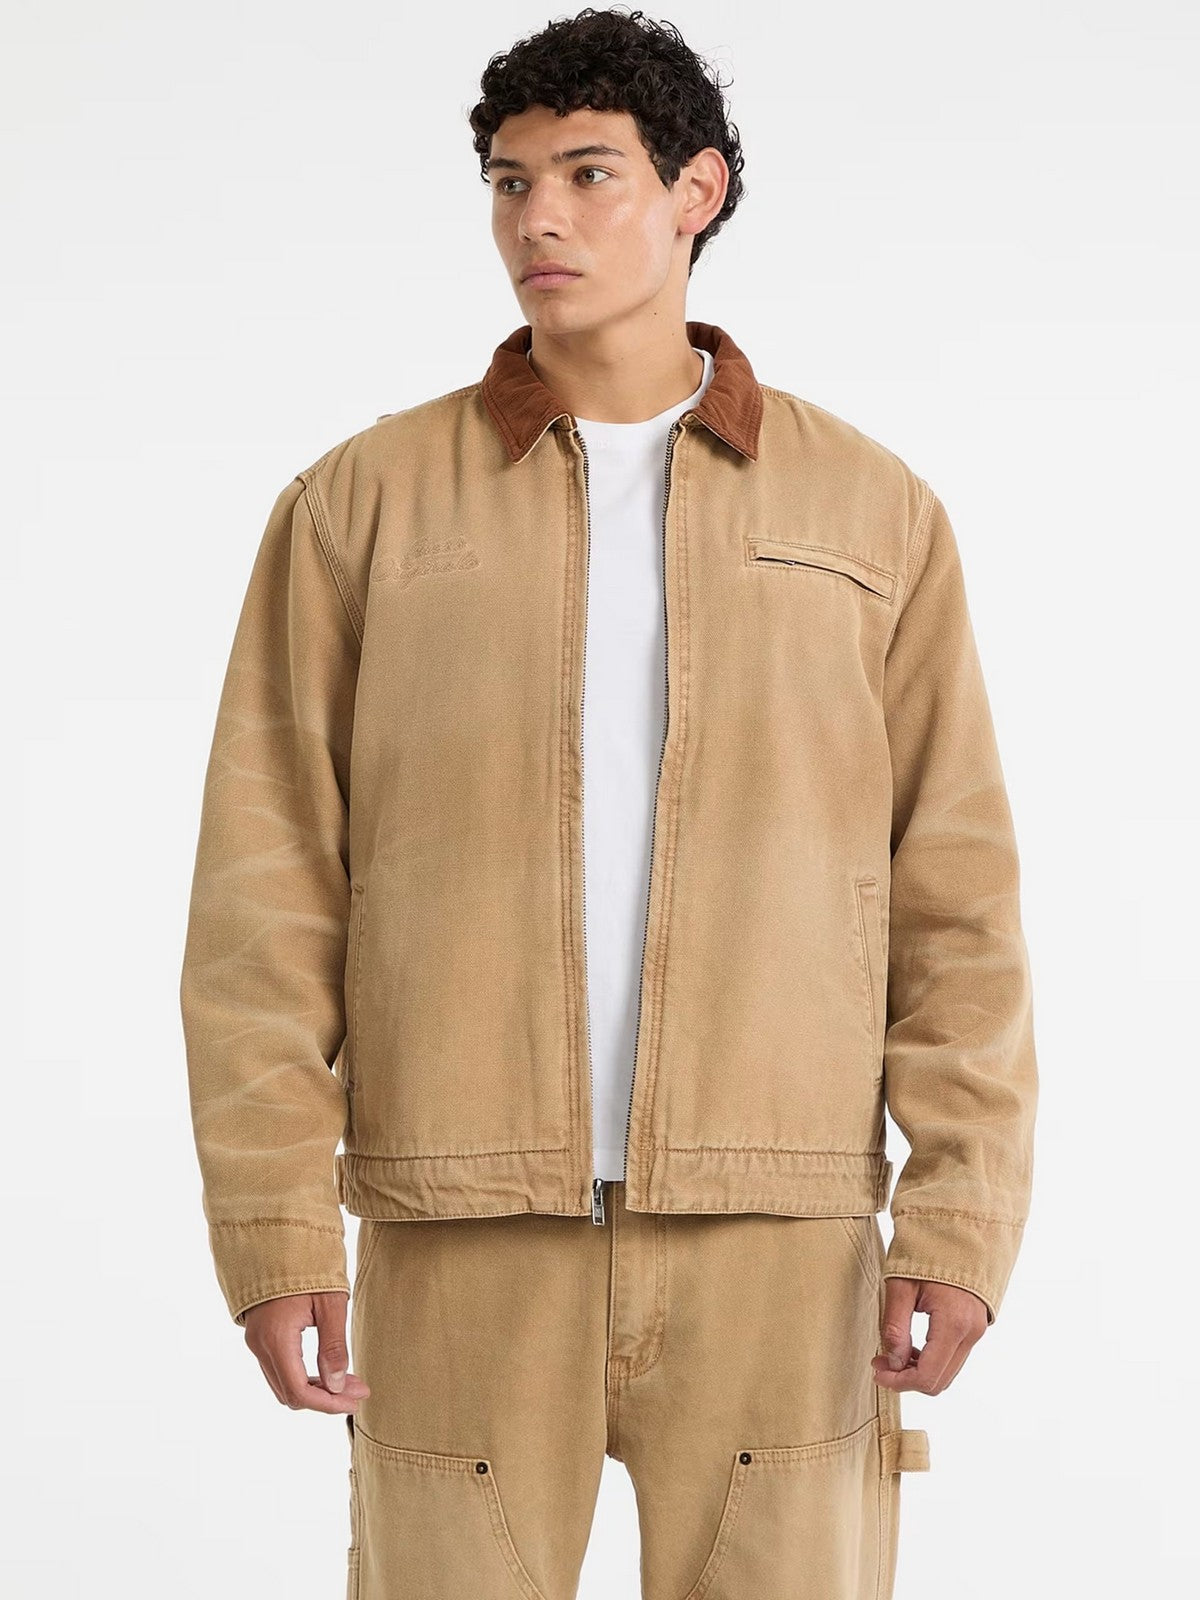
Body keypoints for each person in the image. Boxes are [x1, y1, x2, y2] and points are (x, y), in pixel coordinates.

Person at [179, 8, 1039, 1596]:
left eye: (588, 175)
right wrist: (277, 1232)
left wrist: (960, 1219)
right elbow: (266, 891)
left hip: (779, 1235)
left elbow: (955, 892)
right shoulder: (361, 508)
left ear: (696, 190)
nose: (539, 221)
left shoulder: (870, 512)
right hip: (459, 1226)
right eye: (510, 184)